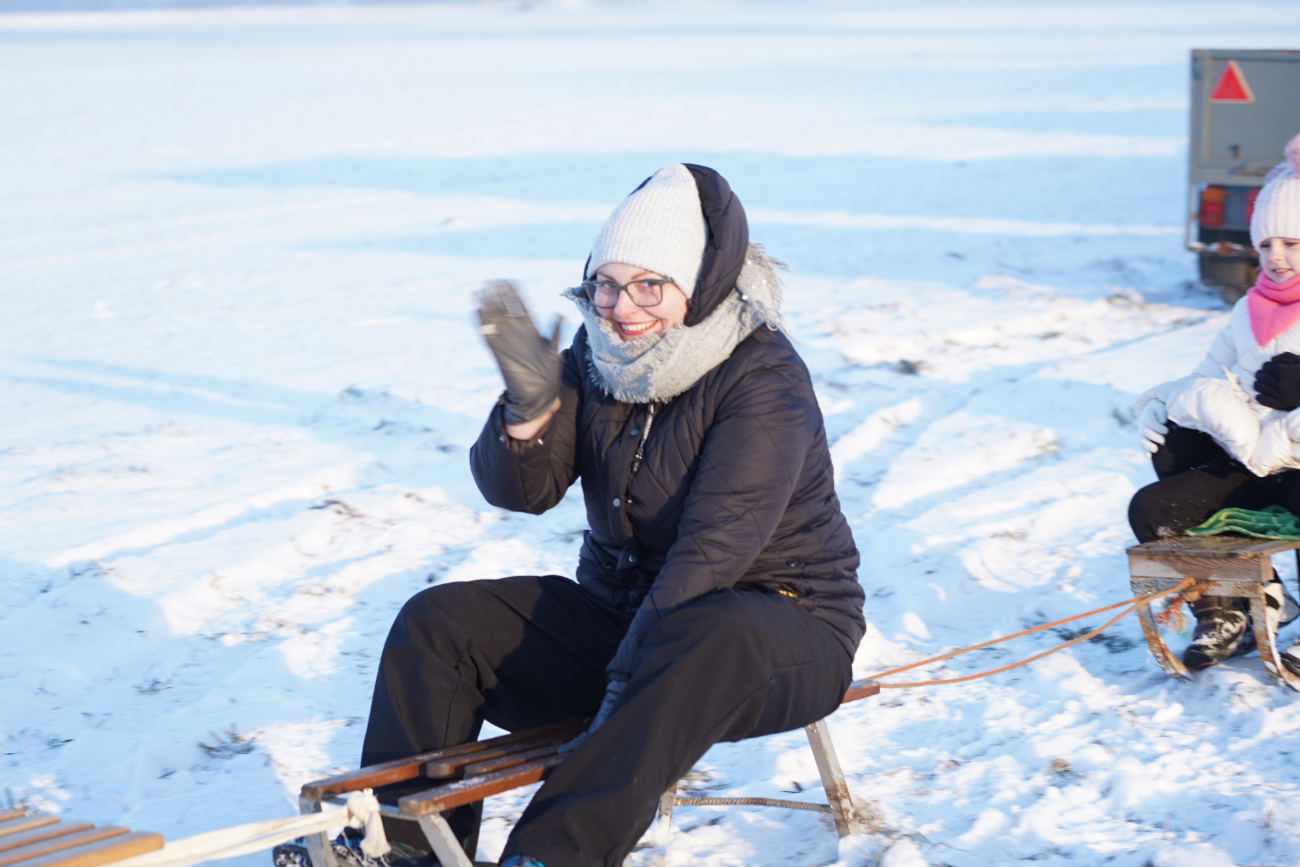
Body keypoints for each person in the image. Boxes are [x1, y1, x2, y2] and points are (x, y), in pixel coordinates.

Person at [357, 164, 866, 867]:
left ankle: (548, 856)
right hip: (632, 625)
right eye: (606, 283)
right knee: (439, 624)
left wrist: (620, 691)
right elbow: (520, 493)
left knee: (708, 630)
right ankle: (403, 851)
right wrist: (528, 413)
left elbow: (712, 555)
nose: (622, 308)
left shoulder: (763, 378)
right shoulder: (596, 355)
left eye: (650, 285)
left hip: (778, 628)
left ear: (700, 282)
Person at [1130, 132, 1300, 672]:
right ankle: (1231, 606)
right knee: (1152, 508)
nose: (1275, 258)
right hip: (1256, 463)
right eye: (1265, 244)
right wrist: (1165, 404)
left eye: (1292, 244)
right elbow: (1206, 375)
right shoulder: (1248, 310)